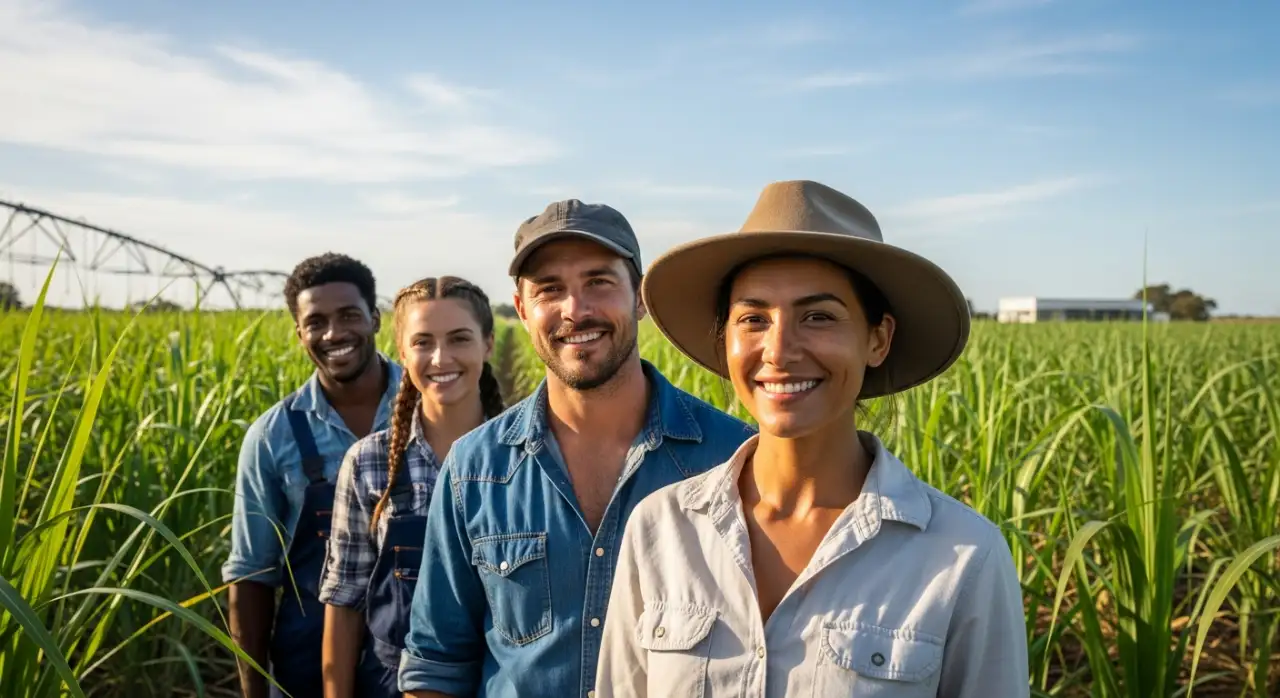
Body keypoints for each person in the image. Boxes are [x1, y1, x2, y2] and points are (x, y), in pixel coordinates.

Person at [594, 180, 1029, 697]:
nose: (778, 350)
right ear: (725, 340)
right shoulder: (661, 530)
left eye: (818, 317)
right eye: (753, 318)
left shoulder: (962, 558)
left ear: (877, 339)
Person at [396, 198, 757, 698]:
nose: (575, 309)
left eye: (598, 282)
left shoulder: (733, 458)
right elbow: (436, 663)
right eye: (550, 289)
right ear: (522, 309)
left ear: (640, 297)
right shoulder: (474, 468)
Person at [222, 253, 403, 698]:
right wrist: (255, 690)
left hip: (417, 665)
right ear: (299, 333)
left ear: (375, 319)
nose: (334, 333)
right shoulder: (273, 436)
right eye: (316, 322)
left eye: (348, 316)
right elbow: (251, 575)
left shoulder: (433, 409)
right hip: (308, 664)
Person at [317, 276, 507, 697]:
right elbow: (344, 599)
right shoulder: (369, 463)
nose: (441, 358)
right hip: (392, 684)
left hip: (497, 682)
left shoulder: (524, 457)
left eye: (459, 338)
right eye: (423, 342)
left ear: (488, 344)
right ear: (402, 352)